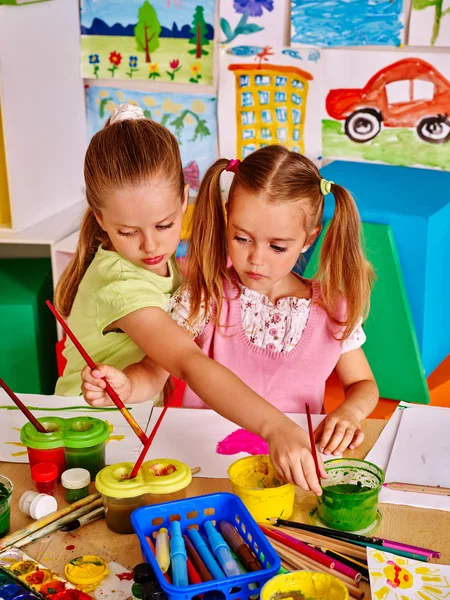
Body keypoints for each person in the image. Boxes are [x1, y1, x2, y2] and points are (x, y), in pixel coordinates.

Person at [56, 106, 328, 494]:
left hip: (127, 421)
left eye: (164, 225)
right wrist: (275, 426)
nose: (151, 245)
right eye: (127, 231)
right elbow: (186, 361)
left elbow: (153, 371)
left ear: (185, 199)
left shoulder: (168, 268)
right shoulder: (120, 284)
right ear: (100, 218)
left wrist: (131, 385)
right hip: (79, 435)